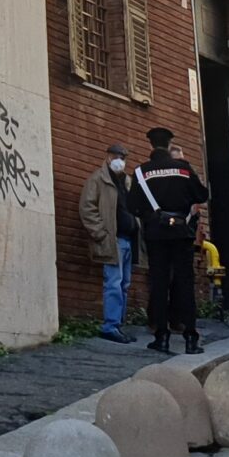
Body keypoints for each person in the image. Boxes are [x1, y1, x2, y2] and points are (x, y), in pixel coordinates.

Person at [131, 125, 209, 354]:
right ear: (168, 144)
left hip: (156, 234)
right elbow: (201, 195)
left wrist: (150, 216)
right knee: (185, 284)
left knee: (159, 283)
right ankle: (191, 338)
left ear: (151, 145)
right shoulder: (183, 170)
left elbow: (132, 204)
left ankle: (161, 336)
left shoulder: (140, 172)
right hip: (182, 234)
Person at [77, 142, 138, 341]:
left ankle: (117, 325)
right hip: (113, 240)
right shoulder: (97, 179)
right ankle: (110, 327)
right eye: (116, 156)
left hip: (129, 240)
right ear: (108, 157)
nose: (119, 161)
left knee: (124, 284)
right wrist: (101, 234)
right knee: (114, 283)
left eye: (123, 157)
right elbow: (87, 208)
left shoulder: (127, 181)